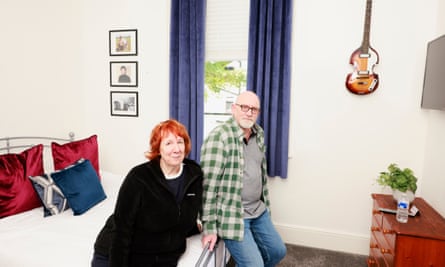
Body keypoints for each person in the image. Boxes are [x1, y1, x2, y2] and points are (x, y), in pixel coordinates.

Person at [92, 119, 203, 267]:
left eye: (180, 142)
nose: (176, 149)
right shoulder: (139, 177)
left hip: (160, 257)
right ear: (158, 149)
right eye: (168, 143)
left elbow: (178, 213)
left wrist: (194, 227)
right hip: (115, 252)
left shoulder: (194, 175)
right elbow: (122, 230)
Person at [200, 91, 286, 267]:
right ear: (233, 109)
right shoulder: (219, 137)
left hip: (258, 210)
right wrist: (209, 227)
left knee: (278, 251)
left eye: (254, 109)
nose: (249, 112)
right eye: (244, 107)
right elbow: (208, 186)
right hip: (234, 215)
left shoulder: (258, 133)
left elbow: (259, 173)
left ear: (258, 112)